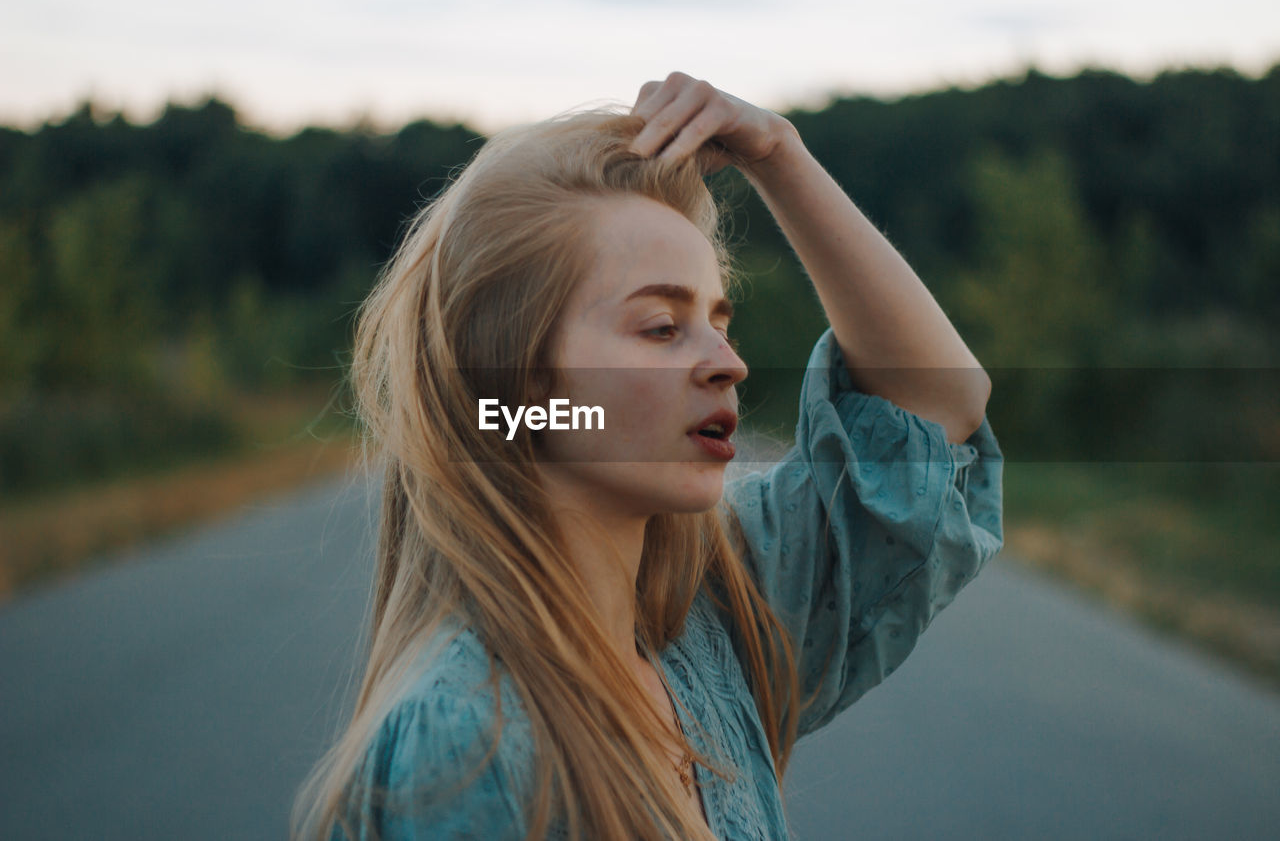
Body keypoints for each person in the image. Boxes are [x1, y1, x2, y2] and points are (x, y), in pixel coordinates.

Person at [291, 71, 1003, 841]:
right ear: (524, 386)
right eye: (663, 327)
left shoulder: (712, 620)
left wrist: (781, 158)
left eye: (718, 320)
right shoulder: (466, 743)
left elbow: (934, 411)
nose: (728, 361)